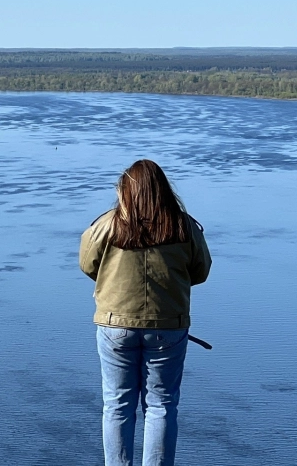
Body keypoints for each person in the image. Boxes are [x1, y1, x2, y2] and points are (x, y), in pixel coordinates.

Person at [79, 159, 212, 466]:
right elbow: (201, 271)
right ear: (164, 189)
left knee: (116, 405)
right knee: (161, 405)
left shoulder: (106, 224)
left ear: (124, 190)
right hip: (168, 326)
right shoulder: (184, 226)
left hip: (115, 325)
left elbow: (87, 264)